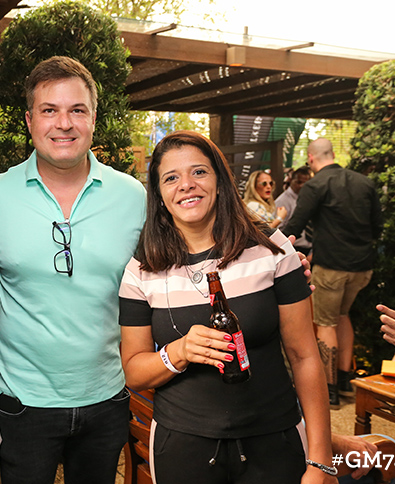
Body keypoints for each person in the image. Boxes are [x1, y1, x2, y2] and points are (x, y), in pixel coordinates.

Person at [119, 131, 335, 484]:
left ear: (220, 181)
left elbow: (305, 356)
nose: (186, 185)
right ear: (158, 194)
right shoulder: (142, 270)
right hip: (182, 447)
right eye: (171, 178)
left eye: (199, 172)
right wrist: (179, 352)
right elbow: (133, 372)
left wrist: (321, 460)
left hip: (275, 438)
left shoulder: (271, 249)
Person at [0, 56, 146, 484]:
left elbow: (181, 260)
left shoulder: (133, 197)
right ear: (30, 120)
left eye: (77, 110)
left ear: (94, 119)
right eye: (49, 110)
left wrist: (268, 255)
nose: (64, 123)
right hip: (21, 402)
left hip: (107, 395)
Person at [284, 138, 382, 407]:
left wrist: (266, 245)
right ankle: (346, 381)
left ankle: (330, 390)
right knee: (342, 315)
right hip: (362, 267)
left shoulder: (315, 185)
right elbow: (377, 226)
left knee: (326, 323)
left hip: (331, 267)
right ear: (333, 154)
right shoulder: (364, 183)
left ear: (310, 158)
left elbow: (295, 226)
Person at [275, 166, 313, 257]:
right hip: (292, 248)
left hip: (310, 249)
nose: (302, 186)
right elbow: (278, 230)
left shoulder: (307, 198)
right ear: (291, 181)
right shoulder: (282, 201)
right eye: (299, 182)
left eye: (305, 183)